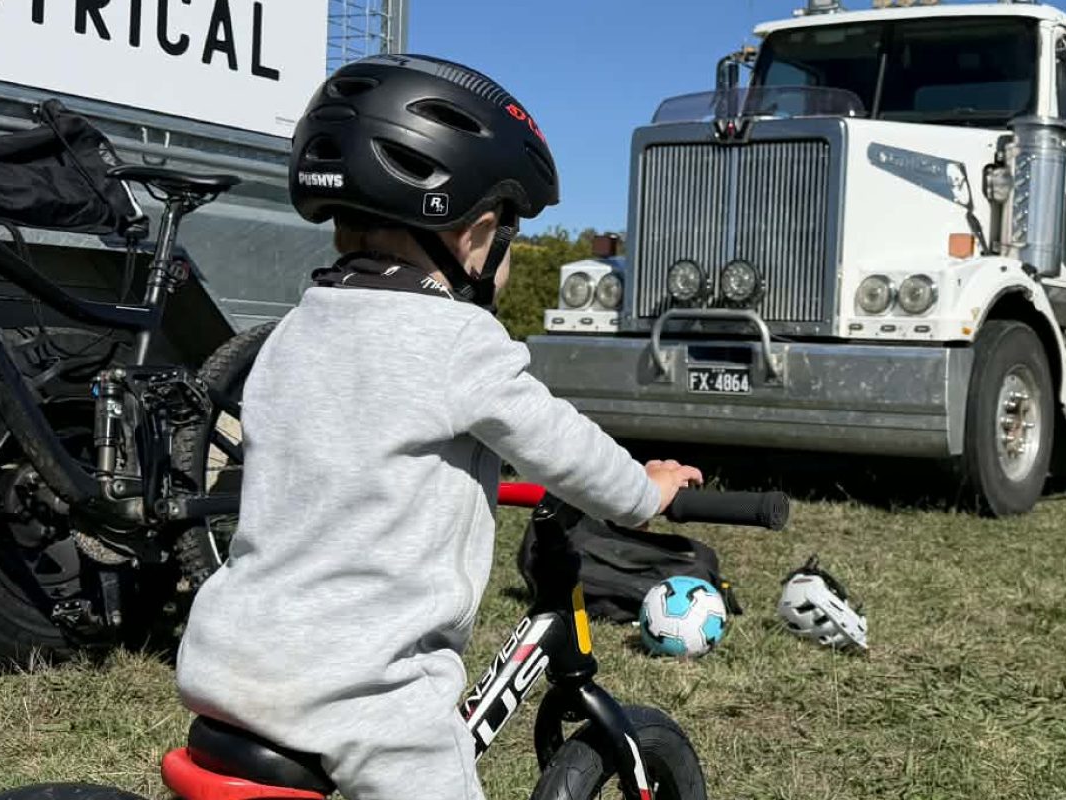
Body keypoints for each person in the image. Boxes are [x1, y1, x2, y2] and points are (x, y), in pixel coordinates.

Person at [172, 54, 703, 800]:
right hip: (367, 698)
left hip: (229, 664)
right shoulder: (457, 340)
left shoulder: (292, 330)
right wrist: (644, 492)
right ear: (479, 233)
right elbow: (561, 443)